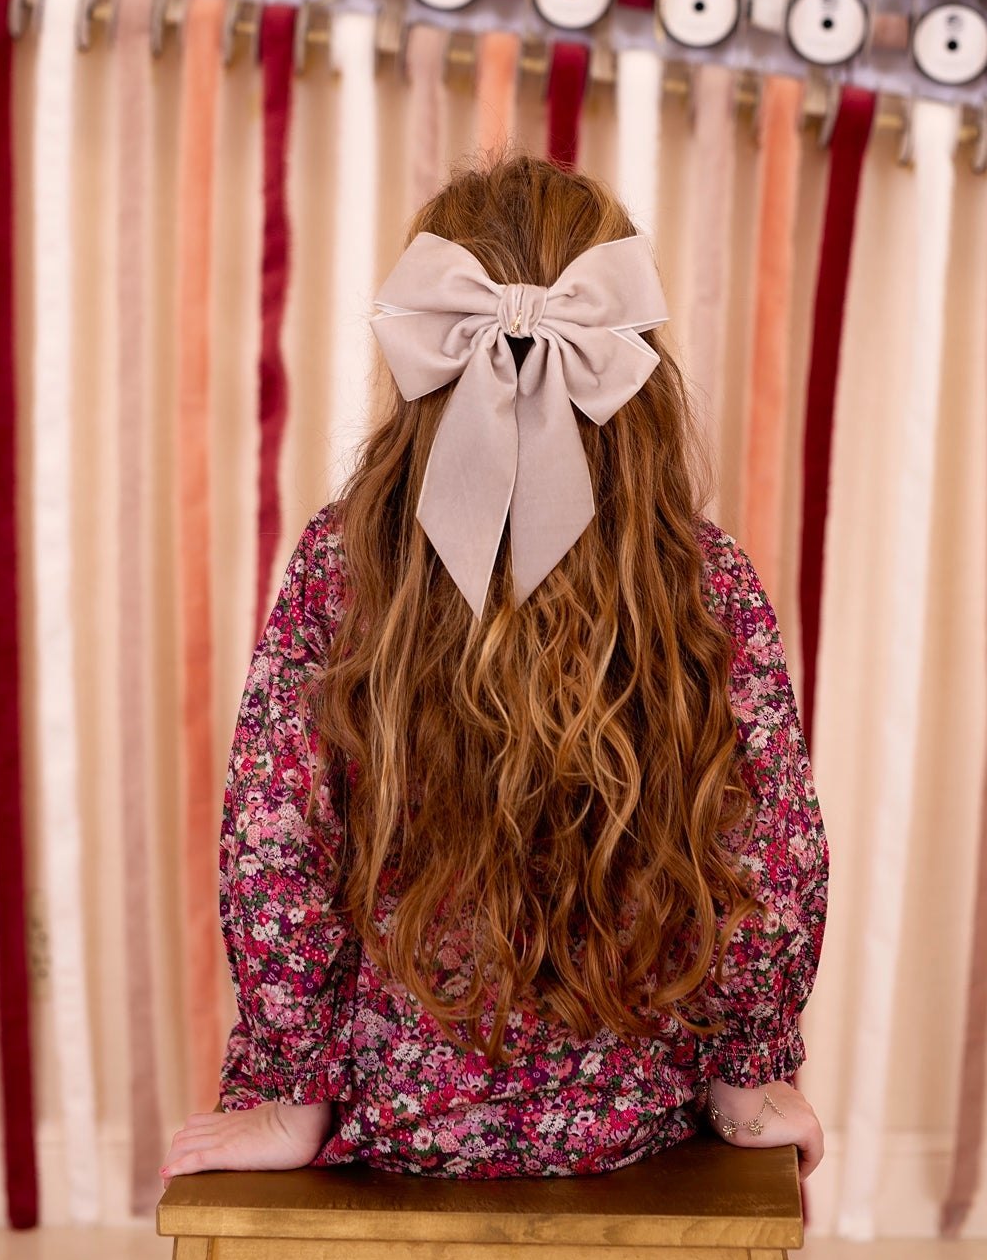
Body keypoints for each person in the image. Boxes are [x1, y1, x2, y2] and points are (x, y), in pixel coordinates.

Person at [160, 155, 829, 1184]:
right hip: (630, 1115)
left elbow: (275, 840)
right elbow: (770, 854)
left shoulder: (344, 565)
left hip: (397, 1111)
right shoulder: (705, 578)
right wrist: (749, 1075)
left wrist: (294, 1092)